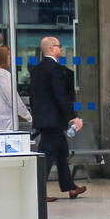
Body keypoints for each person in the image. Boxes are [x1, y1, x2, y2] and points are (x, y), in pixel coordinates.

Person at [29, 35, 84, 201]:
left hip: (45, 119)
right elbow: (61, 96)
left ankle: (70, 187)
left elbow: (33, 96)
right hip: (53, 121)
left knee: (61, 152)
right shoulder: (54, 69)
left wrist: (35, 115)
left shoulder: (37, 69)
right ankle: (37, 192)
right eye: (59, 46)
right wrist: (72, 118)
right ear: (52, 48)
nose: (61, 49)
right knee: (46, 156)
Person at [0, 45, 31, 132]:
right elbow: (13, 99)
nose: (11, 60)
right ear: (3, 58)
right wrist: (28, 117)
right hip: (2, 124)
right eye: (10, 57)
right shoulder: (3, 75)